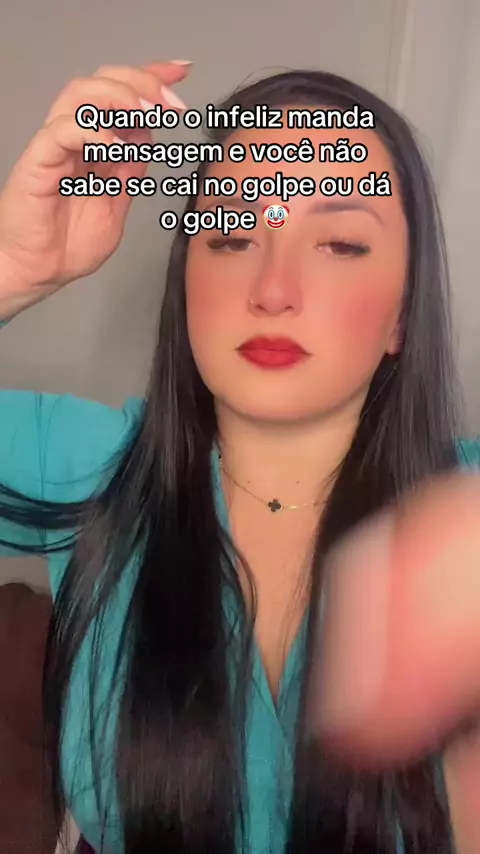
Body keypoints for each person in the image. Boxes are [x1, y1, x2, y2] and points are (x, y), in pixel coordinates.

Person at [0, 60, 479, 854]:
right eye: (231, 234)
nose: (273, 288)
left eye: (340, 243)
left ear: (402, 314)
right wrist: (10, 267)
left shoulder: (463, 512)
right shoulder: (90, 464)